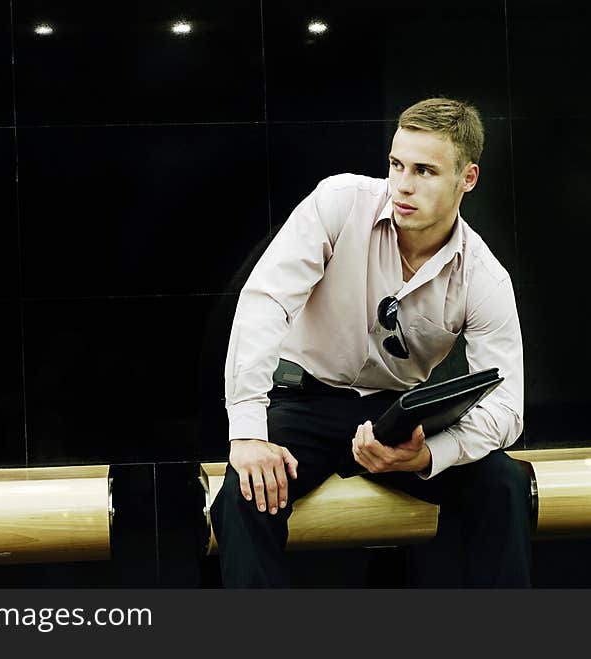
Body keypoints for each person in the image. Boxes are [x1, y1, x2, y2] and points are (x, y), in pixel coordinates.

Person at [210, 97, 531, 587]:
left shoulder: (484, 277)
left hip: (393, 418)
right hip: (304, 402)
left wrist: (429, 456)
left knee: (505, 485)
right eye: (396, 164)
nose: (402, 185)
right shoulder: (340, 202)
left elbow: (508, 409)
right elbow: (265, 303)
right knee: (244, 494)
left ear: (467, 179)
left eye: (425, 170)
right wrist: (249, 433)